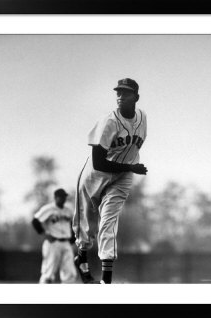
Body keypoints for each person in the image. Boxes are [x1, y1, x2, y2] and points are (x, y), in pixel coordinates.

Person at [72, 78, 148, 284]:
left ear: (136, 97)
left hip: (122, 177)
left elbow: (133, 148)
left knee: (109, 222)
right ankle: (81, 258)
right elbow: (98, 163)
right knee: (86, 228)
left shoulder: (143, 118)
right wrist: (130, 167)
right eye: (118, 93)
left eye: (126, 93)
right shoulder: (109, 122)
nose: (120, 96)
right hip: (95, 174)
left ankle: (106, 280)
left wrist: (129, 167)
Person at [32, 188, 77, 284]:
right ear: (56, 198)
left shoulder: (68, 210)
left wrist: (73, 237)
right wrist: (45, 235)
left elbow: (72, 224)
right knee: (49, 271)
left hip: (66, 242)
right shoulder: (49, 209)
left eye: (64, 197)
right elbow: (35, 221)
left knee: (69, 271)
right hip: (53, 243)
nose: (64, 199)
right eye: (61, 197)